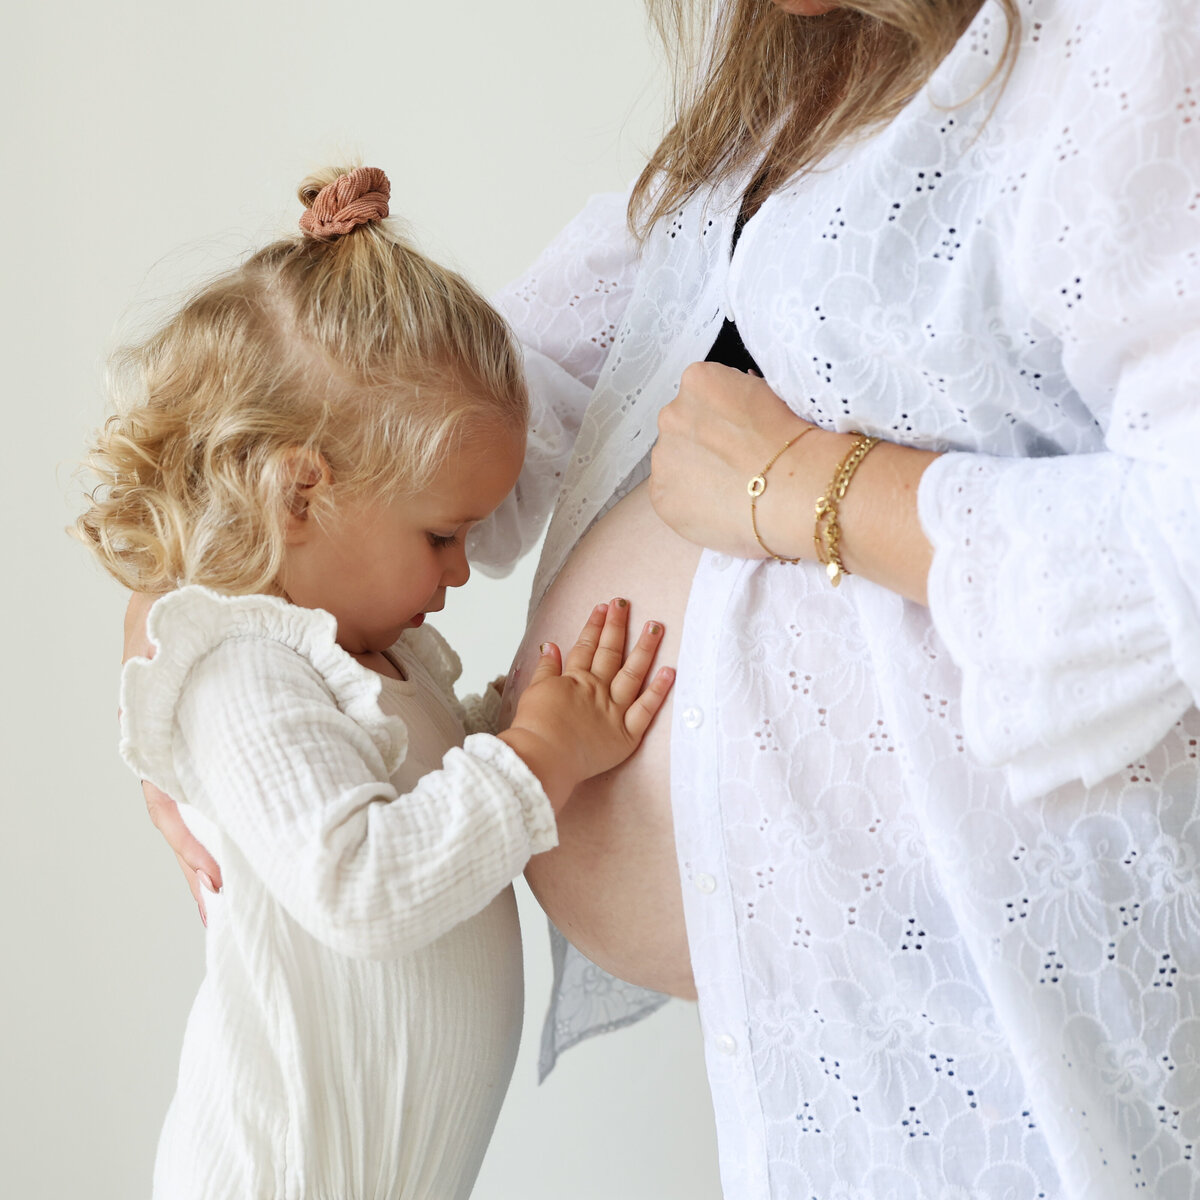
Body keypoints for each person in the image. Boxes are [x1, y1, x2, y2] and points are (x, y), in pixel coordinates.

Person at [138, 0, 1200, 1196]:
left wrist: (815, 487)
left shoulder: (1131, 44)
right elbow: (462, 406)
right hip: (819, 1043)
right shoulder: (794, 71)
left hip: (991, 1016)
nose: (453, 565)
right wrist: (191, 612)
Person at [80, 165, 674, 1200]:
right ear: (301, 492)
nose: (458, 571)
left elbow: (421, 800)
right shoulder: (242, 677)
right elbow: (362, 886)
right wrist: (539, 752)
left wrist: (518, 716)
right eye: (443, 535)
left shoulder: (373, 664)